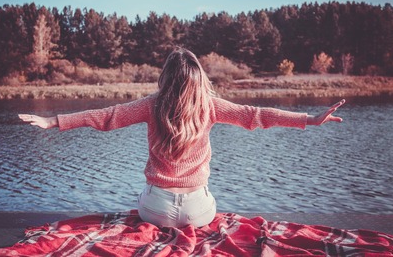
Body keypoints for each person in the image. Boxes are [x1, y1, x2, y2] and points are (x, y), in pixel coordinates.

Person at [19, 47, 345, 228]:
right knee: (209, 202)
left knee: (145, 197)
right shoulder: (211, 106)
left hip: (155, 209)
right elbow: (256, 115)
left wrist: (53, 121)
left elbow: (106, 116)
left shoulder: (151, 105)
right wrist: (310, 120)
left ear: (166, 78)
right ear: (198, 78)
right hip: (199, 212)